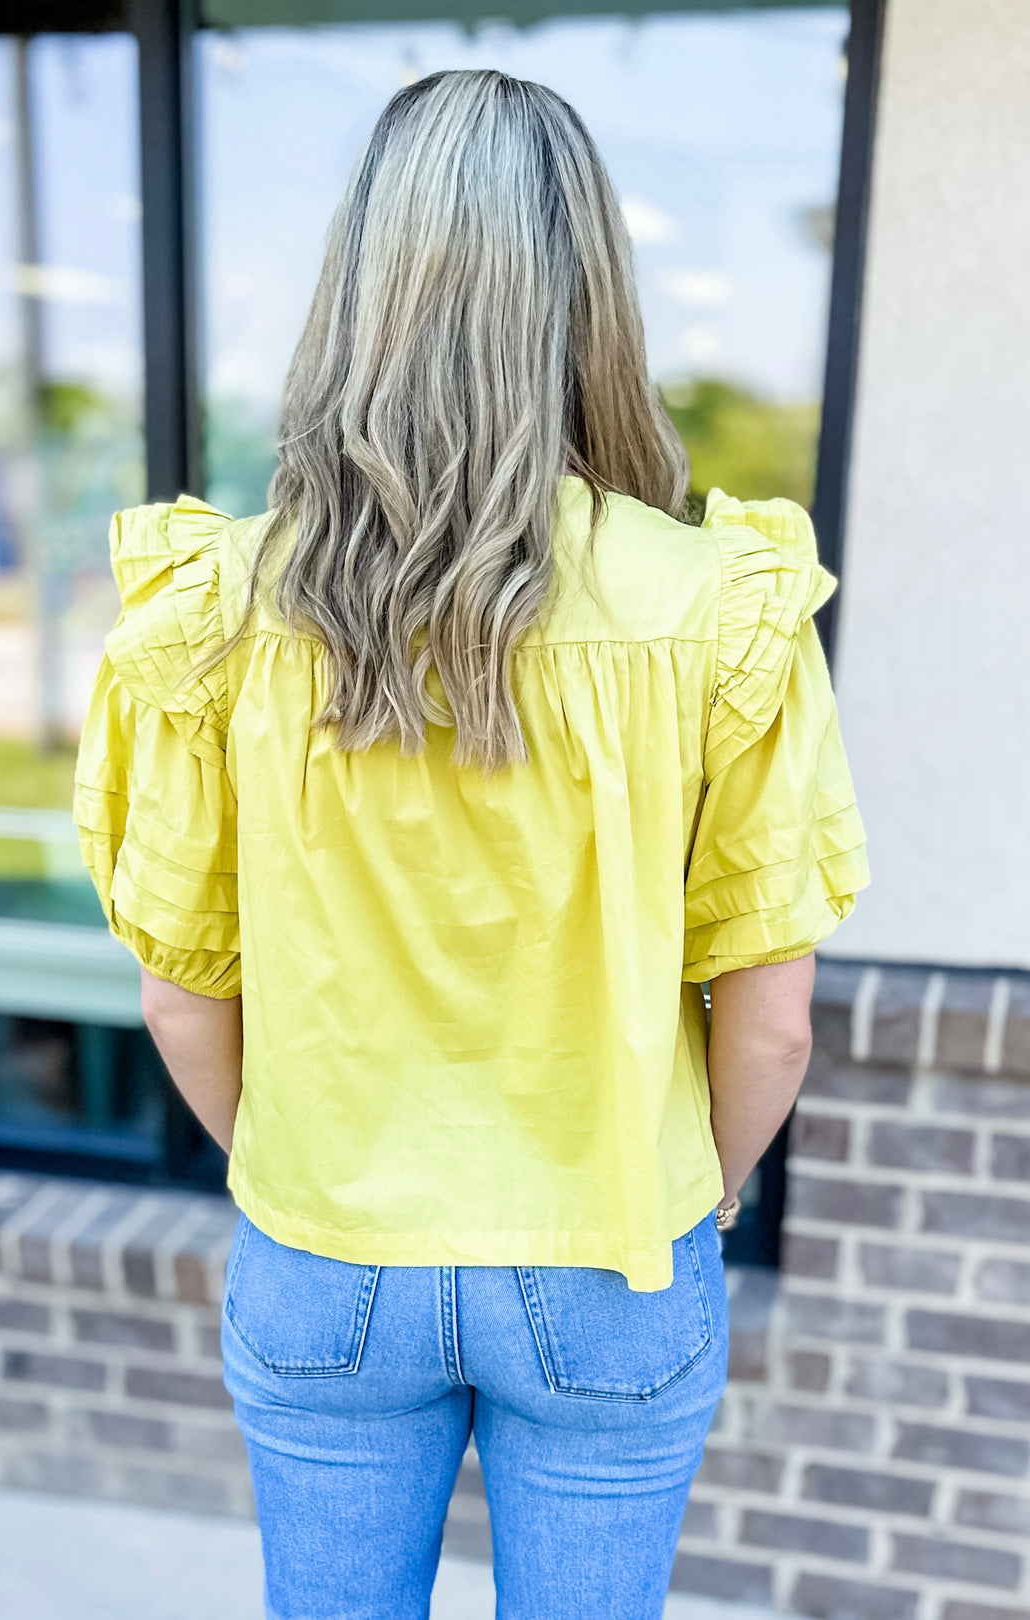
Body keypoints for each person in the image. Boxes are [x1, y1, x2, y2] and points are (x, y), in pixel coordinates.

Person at [73, 67, 869, 1620]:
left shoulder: (226, 610)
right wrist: (698, 1192)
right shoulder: (718, 611)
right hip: (611, 1259)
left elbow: (181, 997)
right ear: (594, 298)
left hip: (327, 1250)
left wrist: (307, 1180)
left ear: (359, 293)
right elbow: (771, 1027)